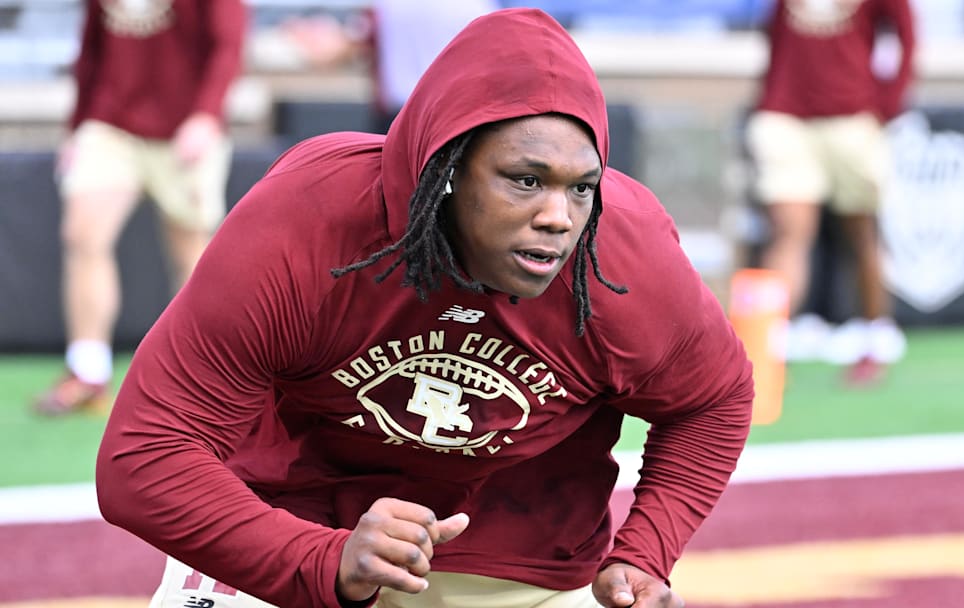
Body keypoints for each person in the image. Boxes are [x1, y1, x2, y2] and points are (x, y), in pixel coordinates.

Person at [96, 8, 754, 608]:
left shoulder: (625, 256)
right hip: (294, 529)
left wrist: (646, 551)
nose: (559, 217)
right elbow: (144, 458)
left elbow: (716, 399)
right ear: (446, 168)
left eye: (581, 187)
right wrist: (318, 560)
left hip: (522, 558)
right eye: (524, 180)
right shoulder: (310, 221)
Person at [33, 0, 248, 414]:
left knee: (194, 260)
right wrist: (76, 128)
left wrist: (206, 114)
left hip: (186, 127)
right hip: (111, 126)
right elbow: (91, 49)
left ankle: (198, 381)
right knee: (82, 235)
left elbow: (228, 43)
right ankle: (87, 372)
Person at [745, 0, 916, 384]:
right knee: (789, 234)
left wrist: (887, 102)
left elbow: (906, 35)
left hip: (852, 119)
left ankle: (875, 339)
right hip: (785, 116)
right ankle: (761, 359)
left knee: (861, 236)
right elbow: (773, 30)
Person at [281, 0, 499, 134]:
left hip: (397, 118)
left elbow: (340, 51)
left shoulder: (386, 6)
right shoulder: (478, 6)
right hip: (453, 114)